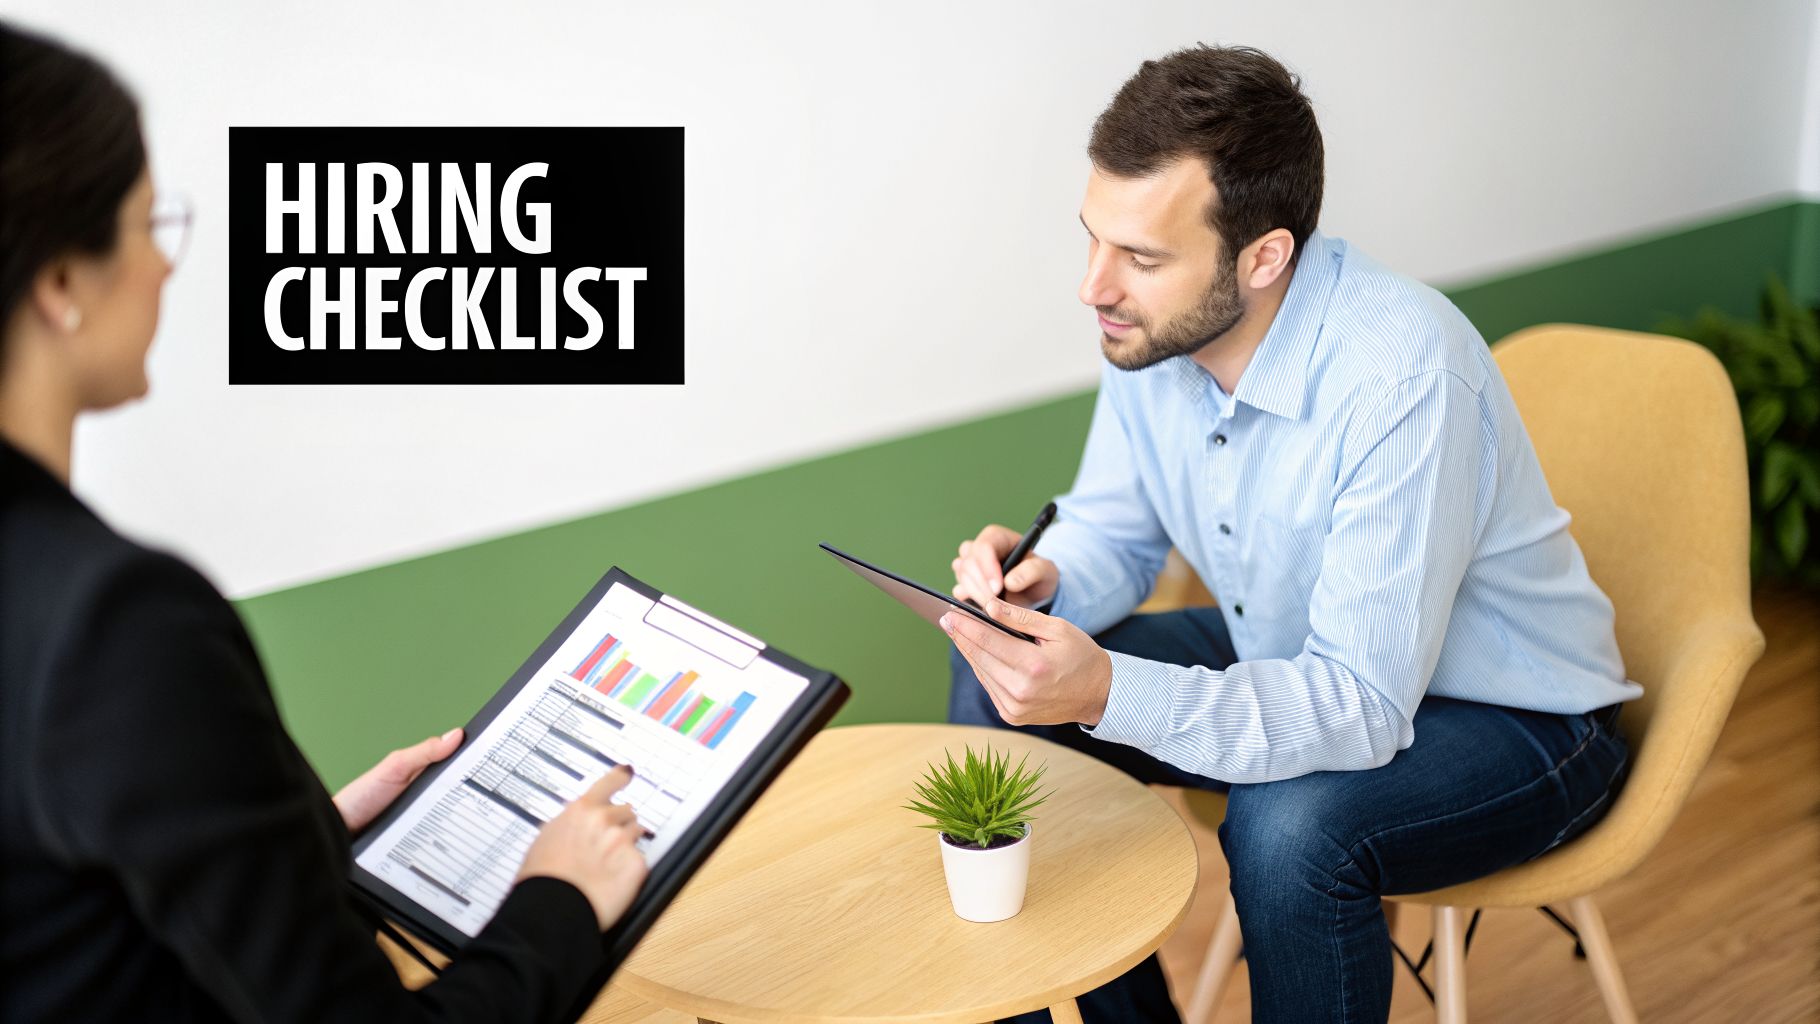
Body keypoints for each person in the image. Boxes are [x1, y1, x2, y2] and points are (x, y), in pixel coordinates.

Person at [942, 45, 1638, 1024]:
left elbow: (1357, 704)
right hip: (1282, 641)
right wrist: (1046, 580)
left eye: (1140, 257)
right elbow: (1115, 524)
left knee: (1288, 827)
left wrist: (1104, 689)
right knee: (993, 680)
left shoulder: (1400, 372)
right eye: (1093, 239)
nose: (1093, 286)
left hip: (1517, 719)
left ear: (1262, 256)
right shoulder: (1152, 331)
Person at [0, 22, 647, 1022]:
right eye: (147, 227)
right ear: (57, 284)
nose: (166, 269)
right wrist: (555, 897)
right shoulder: (110, 620)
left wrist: (296, 841)